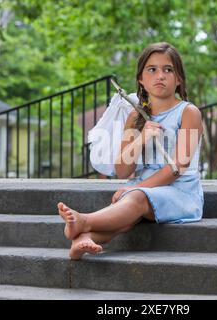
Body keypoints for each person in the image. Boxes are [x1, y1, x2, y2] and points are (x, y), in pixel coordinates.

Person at [57, 42, 204, 260]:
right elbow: (123, 171)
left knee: (134, 199)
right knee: (124, 218)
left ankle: (84, 221)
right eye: (152, 70)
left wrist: (134, 190)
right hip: (144, 187)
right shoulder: (135, 117)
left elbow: (178, 167)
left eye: (168, 69)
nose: (160, 76)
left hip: (181, 191)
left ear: (179, 79)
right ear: (141, 80)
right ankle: (84, 238)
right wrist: (141, 139)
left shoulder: (188, 112)